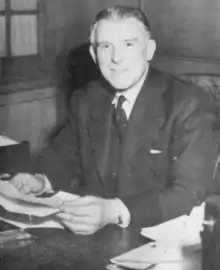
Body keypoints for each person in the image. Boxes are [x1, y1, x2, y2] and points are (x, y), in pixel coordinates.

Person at [11, 5, 218, 235]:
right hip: (98, 238)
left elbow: (190, 191)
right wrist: (40, 180)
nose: (116, 58)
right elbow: (65, 154)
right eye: (105, 47)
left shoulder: (187, 102)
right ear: (93, 54)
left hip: (159, 243)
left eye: (128, 45)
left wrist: (115, 210)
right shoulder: (87, 98)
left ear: (149, 50)